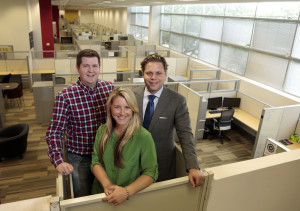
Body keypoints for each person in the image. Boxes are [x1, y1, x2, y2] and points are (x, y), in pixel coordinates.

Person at [46, 49, 115, 197]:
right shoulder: (65, 96)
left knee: (106, 194)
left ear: (99, 68)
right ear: (77, 68)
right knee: (82, 197)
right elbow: (55, 132)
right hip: (79, 158)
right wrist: (58, 160)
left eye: (95, 66)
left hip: (106, 154)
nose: (91, 71)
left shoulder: (110, 89)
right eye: (86, 66)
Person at [133, 53, 205, 187]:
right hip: (133, 162)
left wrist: (193, 166)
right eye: (149, 73)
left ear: (165, 74)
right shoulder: (132, 96)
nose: (153, 78)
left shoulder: (177, 101)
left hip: (162, 163)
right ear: (142, 74)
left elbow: (185, 134)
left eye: (158, 73)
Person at [91, 87, 158, 206]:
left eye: (127, 107)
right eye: (117, 107)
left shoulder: (144, 137)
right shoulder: (102, 131)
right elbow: (96, 161)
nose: (122, 113)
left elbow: (151, 172)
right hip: (101, 195)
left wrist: (126, 192)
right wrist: (107, 185)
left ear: (133, 109)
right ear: (110, 108)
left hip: (129, 199)